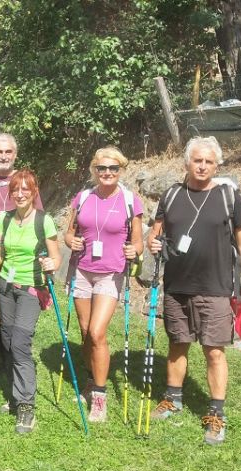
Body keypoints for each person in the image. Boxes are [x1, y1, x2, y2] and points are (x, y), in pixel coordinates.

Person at [147, 136, 241, 445]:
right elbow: (154, 238)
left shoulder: (228, 196)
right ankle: (173, 399)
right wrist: (152, 243)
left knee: (214, 352)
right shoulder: (170, 196)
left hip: (216, 288)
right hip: (177, 286)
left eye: (209, 161)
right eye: (197, 160)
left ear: (217, 165)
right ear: (186, 162)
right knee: (177, 345)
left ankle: (216, 414)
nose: (203, 166)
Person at [63, 146, 144, 422]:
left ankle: (100, 395)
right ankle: (89, 380)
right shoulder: (83, 197)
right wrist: (70, 241)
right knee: (85, 331)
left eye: (113, 169)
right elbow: (69, 232)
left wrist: (135, 250)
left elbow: (138, 241)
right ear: (94, 170)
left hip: (111, 272)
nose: (107, 173)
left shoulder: (131, 200)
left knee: (97, 332)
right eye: (102, 168)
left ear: (121, 170)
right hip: (82, 270)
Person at [0, 170, 61, 434]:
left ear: (34, 191)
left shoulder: (44, 221)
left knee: (19, 342)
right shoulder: (3, 219)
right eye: (15, 189)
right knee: (7, 342)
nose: (19, 194)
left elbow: (56, 258)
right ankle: (15, 395)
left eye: (25, 189)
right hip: (5, 286)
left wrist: (52, 264)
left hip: (31, 288)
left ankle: (26, 406)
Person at [0, 133, 44, 368]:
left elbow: (39, 218)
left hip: (14, 257)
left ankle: (8, 358)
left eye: (8, 152)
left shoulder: (25, 182)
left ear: (15, 154)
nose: (3, 156)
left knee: (6, 306)